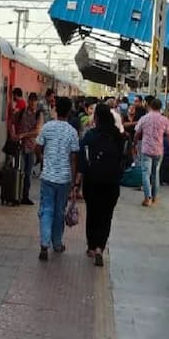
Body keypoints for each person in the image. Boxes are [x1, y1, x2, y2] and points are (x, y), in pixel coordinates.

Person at [75, 104, 125, 267]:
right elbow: (123, 159)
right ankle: (100, 248)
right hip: (111, 182)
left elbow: (82, 159)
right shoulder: (118, 135)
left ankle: (91, 246)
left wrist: (77, 182)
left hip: (92, 181)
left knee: (93, 213)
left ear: (96, 117)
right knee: (106, 215)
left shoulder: (90, 135)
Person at [35, 96, 80, 261]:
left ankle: (44, 244)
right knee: (59, 211)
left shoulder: (47, 127)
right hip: (64, 179)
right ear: (69, 112)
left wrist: (42, 159)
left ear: (55, 110)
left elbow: (37, 147)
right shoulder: (72, 132)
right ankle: (57, 243)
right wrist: (74, 181)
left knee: (46, 209)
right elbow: (74, 159)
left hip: (47, 177)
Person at [134, 98, 169, 206]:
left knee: (145, 173)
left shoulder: (144, 118)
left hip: (146, 149)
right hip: (158, 150)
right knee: (155, 174)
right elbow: (168, 134)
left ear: (150, 106)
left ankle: (147, 198)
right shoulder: (165, 120)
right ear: (160, 107)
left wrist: (134, 143)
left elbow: (137, 132)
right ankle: (154, 198)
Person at [12, 92, 42, 205]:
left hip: (31, 147)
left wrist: (23, 135)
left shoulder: (39, 114)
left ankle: (25, 196)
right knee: (19, 171)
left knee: (28, 173)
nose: (33, 102)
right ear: (28, 100)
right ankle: (16, 195)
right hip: (19, 147)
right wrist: (13, 134)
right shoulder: (20, 113)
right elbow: (12, 122)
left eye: (35, 100)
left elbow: (37, 132)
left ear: (37, 102)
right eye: (31, 100)